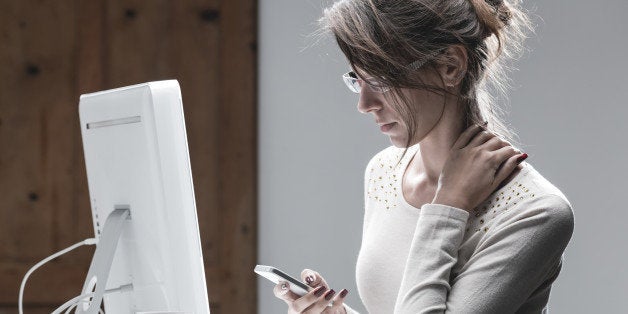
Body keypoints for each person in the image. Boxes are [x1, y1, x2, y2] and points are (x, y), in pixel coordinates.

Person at [273, 0, 575, 313]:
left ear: (450, 66)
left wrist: (447, 207)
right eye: (357, 79)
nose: (364, 103)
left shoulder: (535, 211)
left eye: (381, 79)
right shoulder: (384, 172)